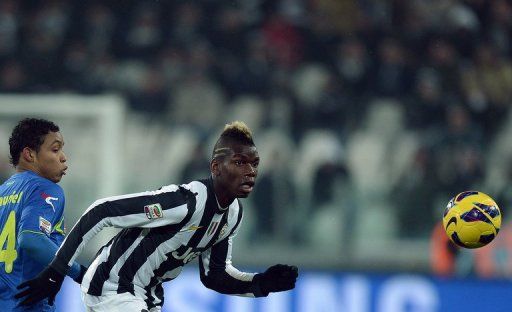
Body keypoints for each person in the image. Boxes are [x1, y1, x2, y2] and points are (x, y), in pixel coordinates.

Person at [16, 121, 298, 312]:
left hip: (147, 297)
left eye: (254, 164)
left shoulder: (232, 215)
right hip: (112, 287)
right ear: (216, 167)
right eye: (240, 162)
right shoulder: (185, 201)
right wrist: (56, 271)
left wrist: (260, 283)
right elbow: (102, 211)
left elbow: (215, 276)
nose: (250, 171)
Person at [0, 118, 86, 312]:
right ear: (29, 154)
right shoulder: (45, 188)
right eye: (55, 150)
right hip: (26, 306)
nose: (63, 157)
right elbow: (32, 239)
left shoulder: (2, 192)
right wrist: (78, 272)